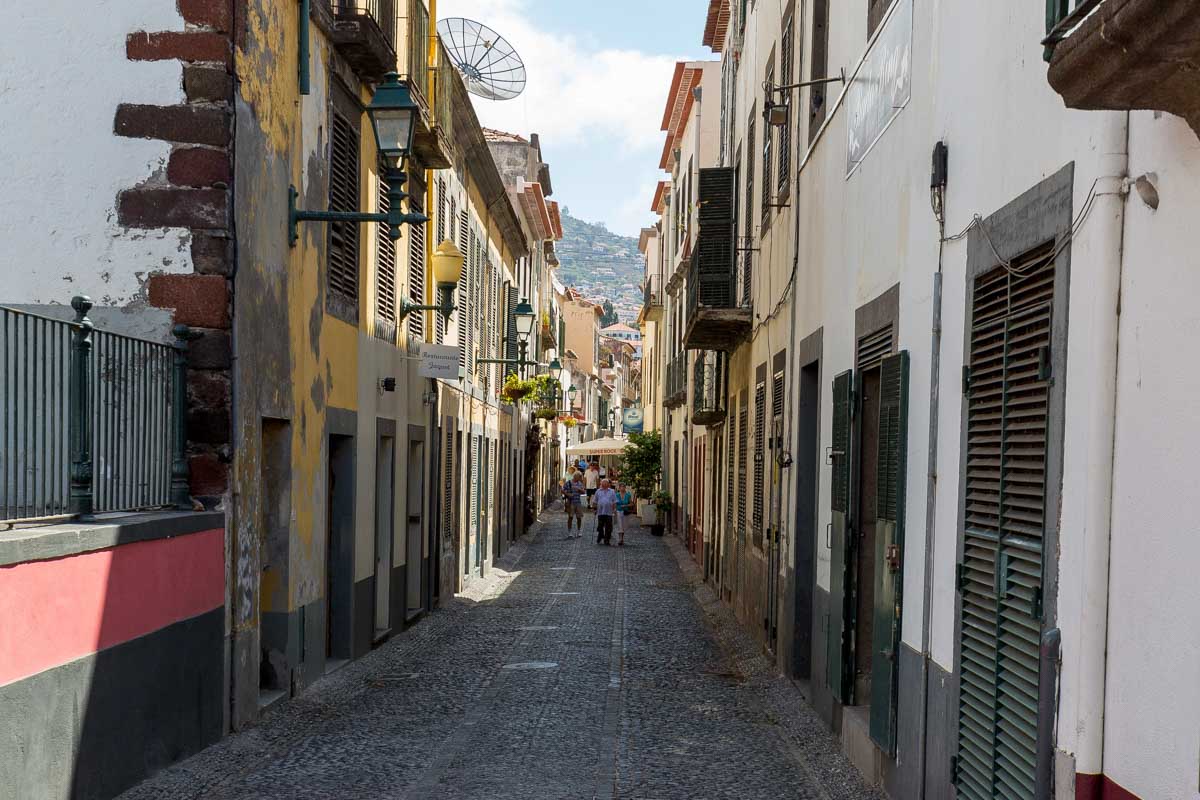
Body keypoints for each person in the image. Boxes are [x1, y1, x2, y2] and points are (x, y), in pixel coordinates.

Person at [594, 479, 618, 545]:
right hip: (600, 511)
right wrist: (594, 509)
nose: (603, 486)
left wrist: (614, 509)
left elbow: (615, 501)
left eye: (605, 485)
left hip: (609, 511)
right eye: (602, 485)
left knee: (608, 527)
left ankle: (607, 539)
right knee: (600, 526)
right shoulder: (598, 491)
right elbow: (595, 501)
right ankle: (600, 535)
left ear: (608, 485)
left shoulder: (612, 491)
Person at [562, 472, 585, 537]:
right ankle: (570, 532)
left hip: (578, 502)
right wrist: (567, 494)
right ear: (575, 477)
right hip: (571, 502)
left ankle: (579, 531)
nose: (580, 478)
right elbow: (563, 490)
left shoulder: (580, 483)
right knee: (570, 517)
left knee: (579, 517)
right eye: (579, 477)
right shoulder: (568, 483)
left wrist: (579, 489)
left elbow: (583, 492)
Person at [614, 482, 634, 546]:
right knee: (620, 525)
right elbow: (614, 503)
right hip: (618, 511)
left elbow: (631, 504)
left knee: (624, 526)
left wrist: (625, 506)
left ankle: (622, 538)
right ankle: (620, 539)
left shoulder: (628, 495)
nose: (622, 488)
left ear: (625, 488)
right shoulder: (616, 495)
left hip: (625, 512)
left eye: (623, 487)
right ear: (619, 488)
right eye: (621, 487)